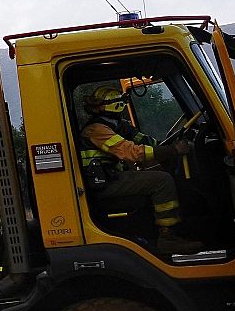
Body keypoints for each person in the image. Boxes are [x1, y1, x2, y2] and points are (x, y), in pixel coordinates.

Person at [78, 86, 201, 257]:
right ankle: (168, 238)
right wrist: (173, 151)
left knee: (159, 172)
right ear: (116, 104)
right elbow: (131, 153)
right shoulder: (96, 130)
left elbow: (147, 142)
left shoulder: (119, 126)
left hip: (112, 178)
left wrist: (167, 148)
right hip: (103, 185)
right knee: (162, 181)